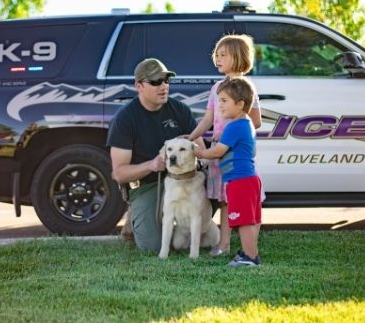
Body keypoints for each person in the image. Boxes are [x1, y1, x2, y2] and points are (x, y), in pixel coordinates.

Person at [107, 58, 204, 252]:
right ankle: (136, 216)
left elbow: (200, 151)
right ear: (139, 86)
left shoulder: (180, 110)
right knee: (152, 247)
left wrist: (197, 158)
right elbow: (119, 173)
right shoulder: (125, 118)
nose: (163, 86)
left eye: (166, 81)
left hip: (184, 179)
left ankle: (191, 228)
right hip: (147, 185)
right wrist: (150, 165)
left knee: (216, 179)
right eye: (155, 82)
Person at [186, 34, 261, 257]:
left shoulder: (247, 88)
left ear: (237, 57)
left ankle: (239, 246)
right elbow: (207, 120)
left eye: (223, 55)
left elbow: (255, 121)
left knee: (238, 201)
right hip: (219, 158)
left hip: (233, 154)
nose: (217, 59)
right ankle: (224, 243)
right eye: (216, 55)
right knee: (224, 200)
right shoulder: (216, 88)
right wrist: (191, 138)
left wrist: (226, 132)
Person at [194, 77, 262, 266]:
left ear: (240, 104)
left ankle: (249, 258)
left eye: (224, 101)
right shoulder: (245, 123)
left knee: (243, 221)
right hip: (250, 179)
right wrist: (223, 136)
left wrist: (199, 152)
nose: (220, 105)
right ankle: (250, 252)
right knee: (252, 219)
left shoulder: (233, 126)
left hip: (239, 181)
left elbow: (217, 152)